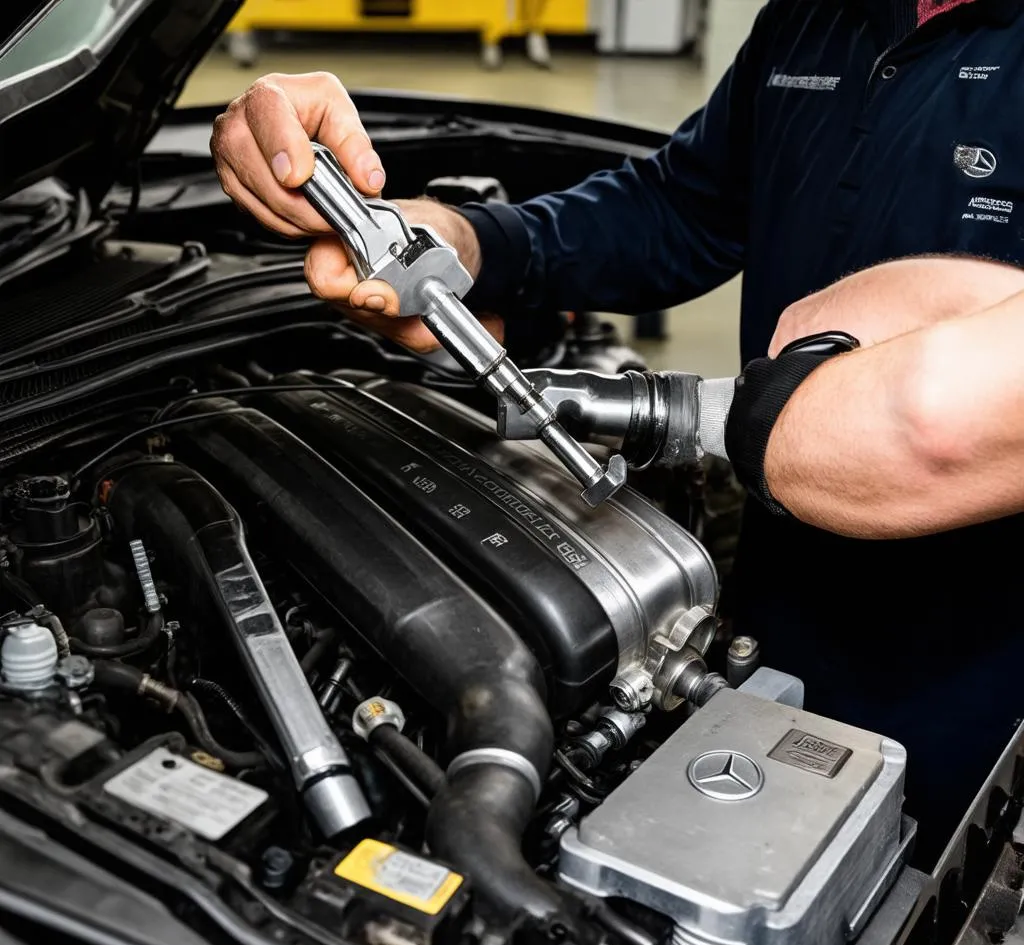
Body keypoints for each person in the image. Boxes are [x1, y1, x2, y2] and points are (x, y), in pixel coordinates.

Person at [210, 0, 1024, 864]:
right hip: (776, 588)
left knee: (917, 892)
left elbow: (948, 412)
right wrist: (475, 242)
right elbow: (686, 207)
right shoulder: (815, 17)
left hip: (982, 654)